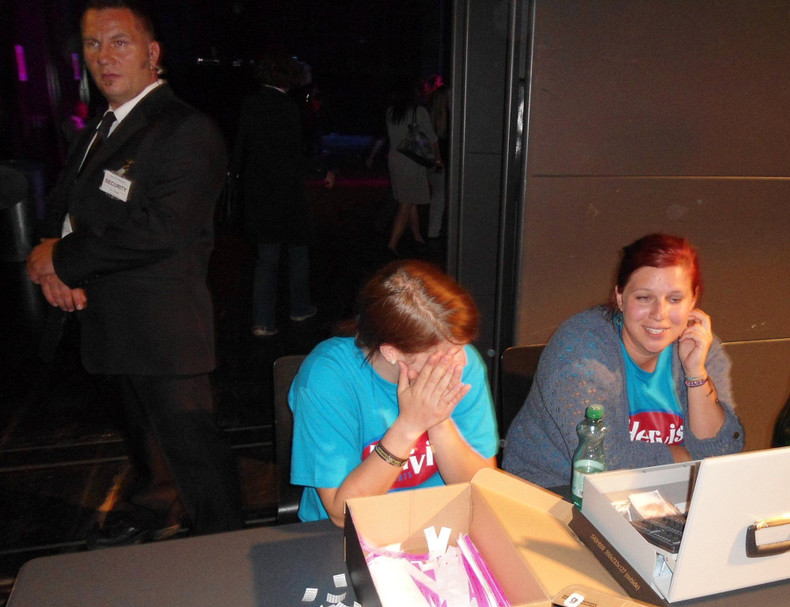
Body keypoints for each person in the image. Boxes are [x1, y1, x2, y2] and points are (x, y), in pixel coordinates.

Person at [26, 0, 241, 543]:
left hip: (163, 330)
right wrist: (54, 261)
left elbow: (162, 228)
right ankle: (154, 508)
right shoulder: (102, 126)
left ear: (152, 53)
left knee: (197, 457)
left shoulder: (185, 128)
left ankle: (227, 548)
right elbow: (67, 203)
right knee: (145, 442)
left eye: (119, 42)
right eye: (93, 44)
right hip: (108, 321)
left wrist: (62, 260)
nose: (104, 56)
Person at [503, 233, 744, 488]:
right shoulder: (581, 349)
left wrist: (695, 372)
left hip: (663, 490)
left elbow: (722, 454)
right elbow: (602, 460)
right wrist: (685, 459)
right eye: (644, 298)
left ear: (693, 300)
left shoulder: (700, 345)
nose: (659, 314)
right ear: (620, 297)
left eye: (674, 299)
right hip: (554, 491)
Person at [289, 259, 499, 525]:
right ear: (391, 352)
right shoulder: (327, 377)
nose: (461, 361)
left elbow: (481, 490)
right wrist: (409, 426)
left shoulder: (463, 364)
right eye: (443, 355)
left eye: (460, 347)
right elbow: (343, 513)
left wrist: (438, 420)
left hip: (439, 523)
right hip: (350, 534)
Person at [233, 55, 333, 337]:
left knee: (266, 258)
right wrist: (320, 170)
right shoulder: (288, 107)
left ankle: (262, 321)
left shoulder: (250, 103)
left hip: (259, 191)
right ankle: (299, 307)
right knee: (298, 251)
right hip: (287, 191)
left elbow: (241, 147)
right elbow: (295, 152)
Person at [384, 80, 440, 253]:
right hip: (412, 160)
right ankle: (391, 245)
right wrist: (438, 159)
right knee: (407, 203)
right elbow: (432, 138)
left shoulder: (390, 112)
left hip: (395, 159)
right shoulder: (419, 111)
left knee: (410, 200)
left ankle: (417, 237)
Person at [426, 83, 450, 240]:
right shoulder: (449, 119)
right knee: (440, 197)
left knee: (438, 196)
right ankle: (435, 230)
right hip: (441, 162)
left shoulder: (429, 117)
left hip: (431, 161)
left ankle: (435, 229)